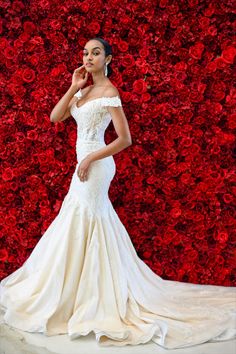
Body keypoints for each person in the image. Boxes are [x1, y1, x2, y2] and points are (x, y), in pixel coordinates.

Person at [0, 37, 235, 349]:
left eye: (96, 53)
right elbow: (56, 117)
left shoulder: (110, 92)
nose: (88, 57)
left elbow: (124, 139)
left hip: (96, 165)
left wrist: (90, 158)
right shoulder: (82, 90)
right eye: (85, 52)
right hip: (83, 164)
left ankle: (92, 296)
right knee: (77, 219)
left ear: (108, 58)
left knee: (86, 218)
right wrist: (73, 86)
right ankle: (75, 293)